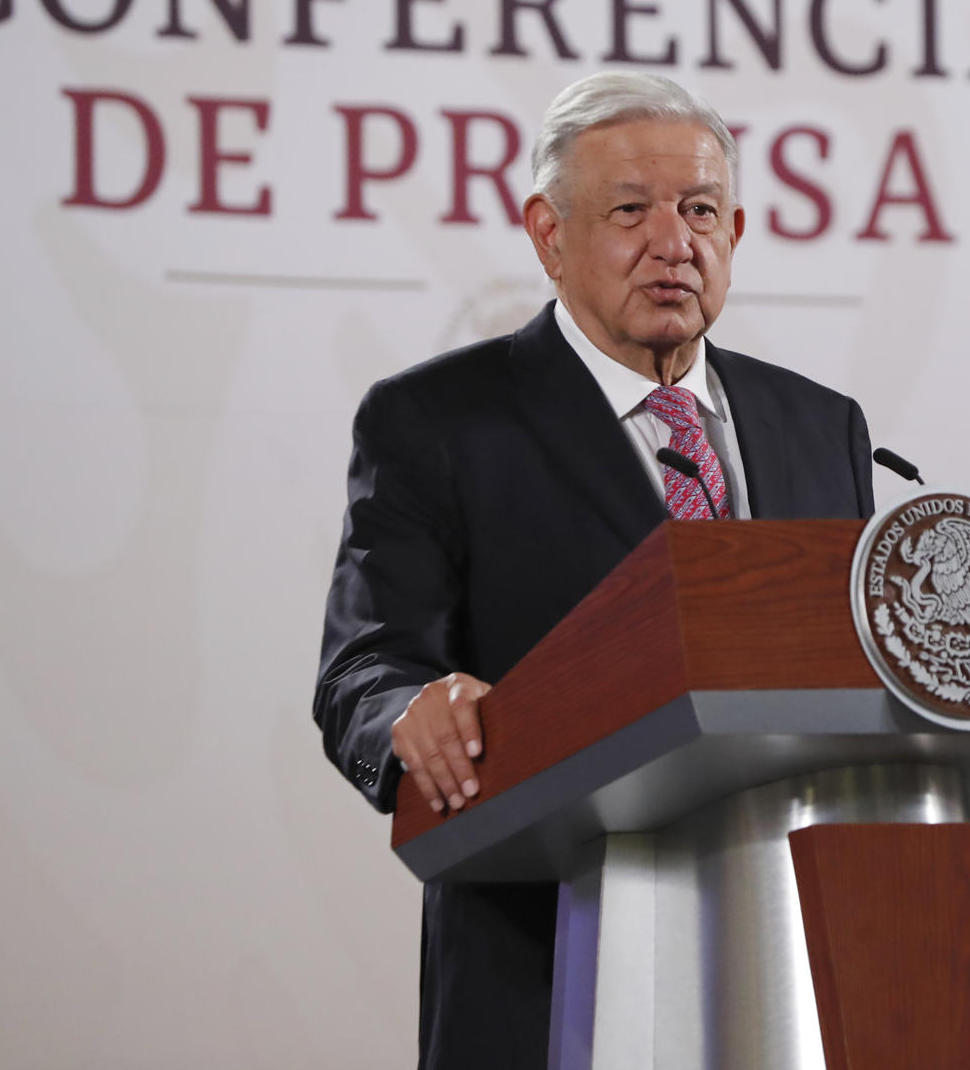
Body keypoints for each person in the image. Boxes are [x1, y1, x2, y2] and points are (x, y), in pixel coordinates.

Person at [312, 71, 876, 1070]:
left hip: (796, 967)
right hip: (546, 964)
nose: (674, 241)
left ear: (735, 232)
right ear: (547, 232)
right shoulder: (438, 422)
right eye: (630, 211)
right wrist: (409, 711)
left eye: (701, 209)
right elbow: (365, 668)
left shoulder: (821, 426)